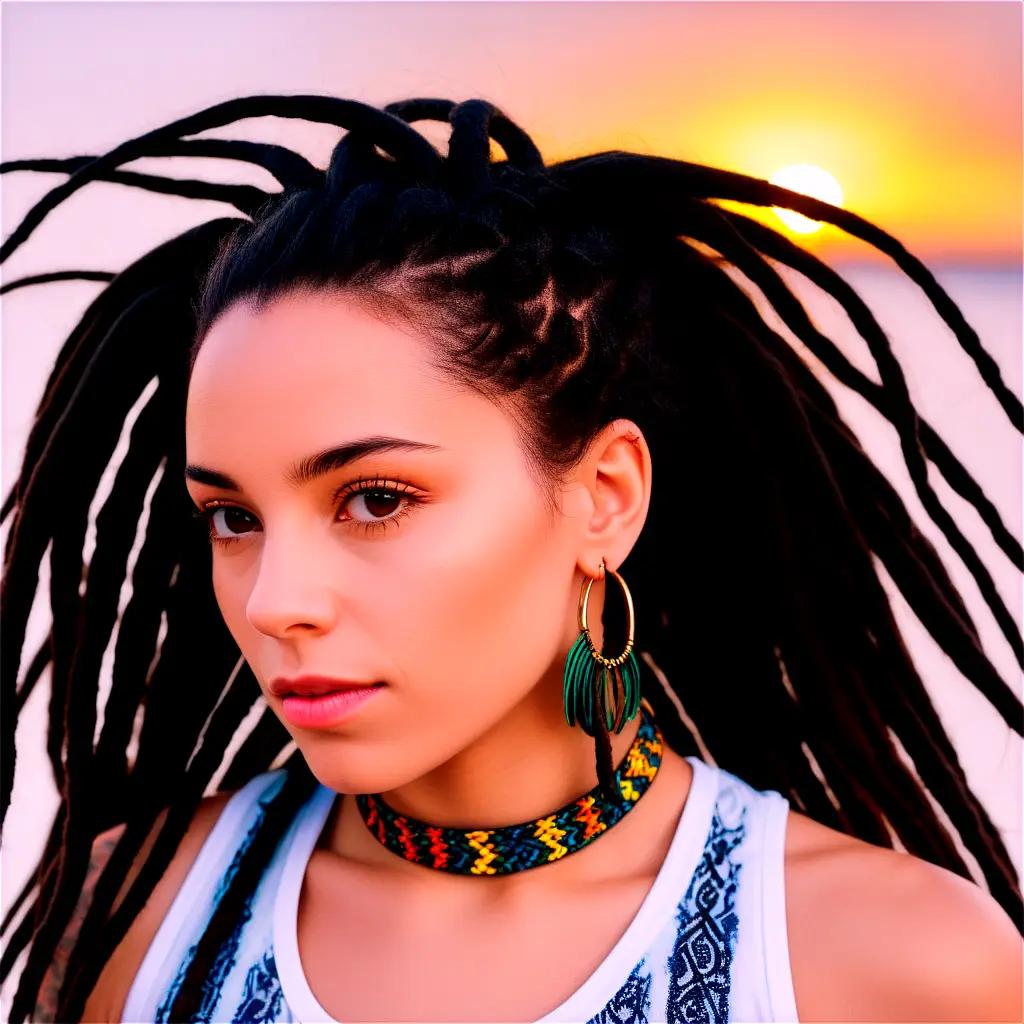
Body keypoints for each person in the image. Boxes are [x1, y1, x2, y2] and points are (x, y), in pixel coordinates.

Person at [1, 94, 1020, 1024]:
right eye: (232, 516)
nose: (277, 601)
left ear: (604, 496)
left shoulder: (887, 966)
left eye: (374, 499)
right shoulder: (136, 926)